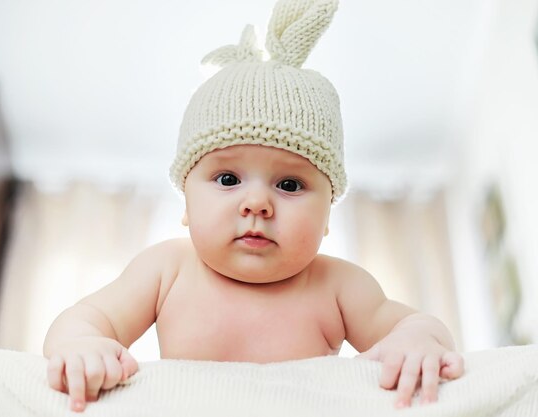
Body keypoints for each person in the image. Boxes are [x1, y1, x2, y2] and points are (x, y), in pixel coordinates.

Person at [43, 0, 464, 412]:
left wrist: (418, 341)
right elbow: (87, 318)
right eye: (228, 179)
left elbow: (419, 326)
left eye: (289, 184)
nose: (258, 204)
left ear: (328, 215)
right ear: (186, 202)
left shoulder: (339, 286)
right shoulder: (166, 270)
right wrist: (82, 346)